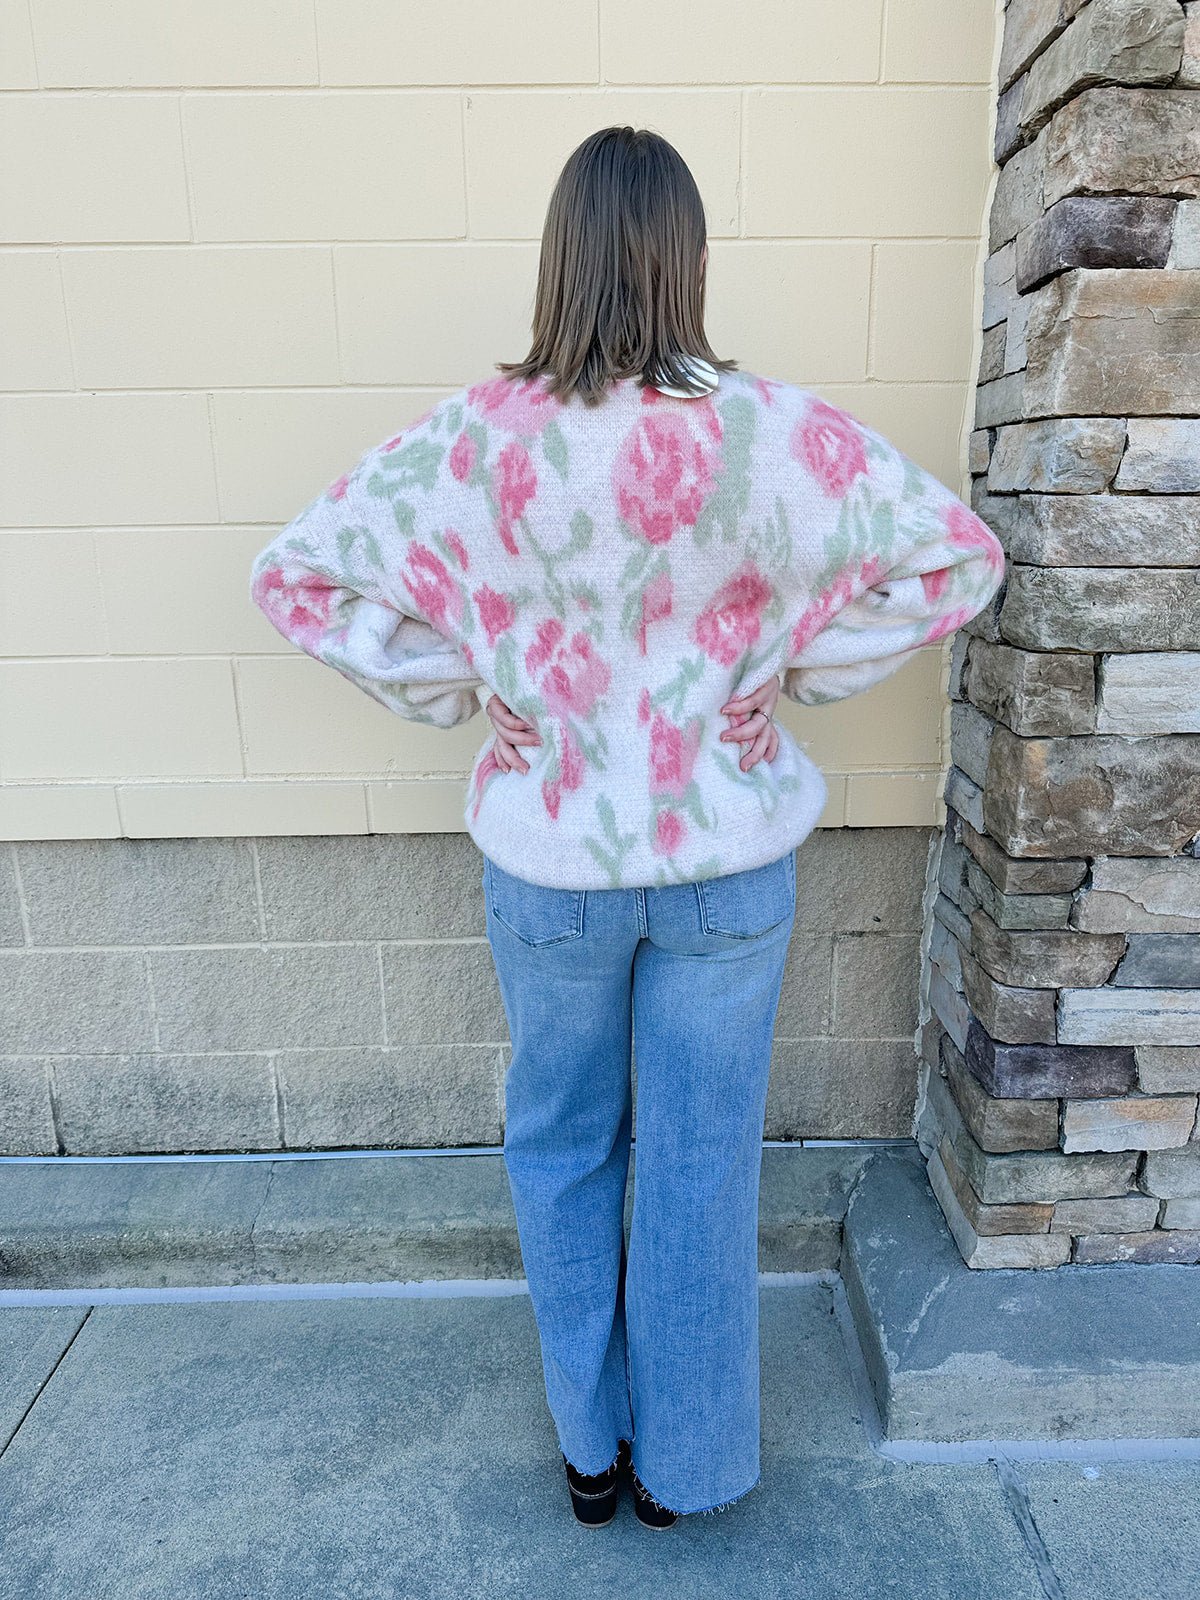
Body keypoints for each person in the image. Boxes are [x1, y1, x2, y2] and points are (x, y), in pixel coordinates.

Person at [249, 125, 1006, 1529]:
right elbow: (956, 557)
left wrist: (458, 684)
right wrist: (799, 671)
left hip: (551, 866)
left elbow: (298, 577)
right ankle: (687, 1469)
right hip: (725, 864)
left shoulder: (477, 438)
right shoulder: (770, 430)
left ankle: (590, 1448)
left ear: (560, 258)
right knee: (702, 1167)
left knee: (561, 1146)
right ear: (686, 260)